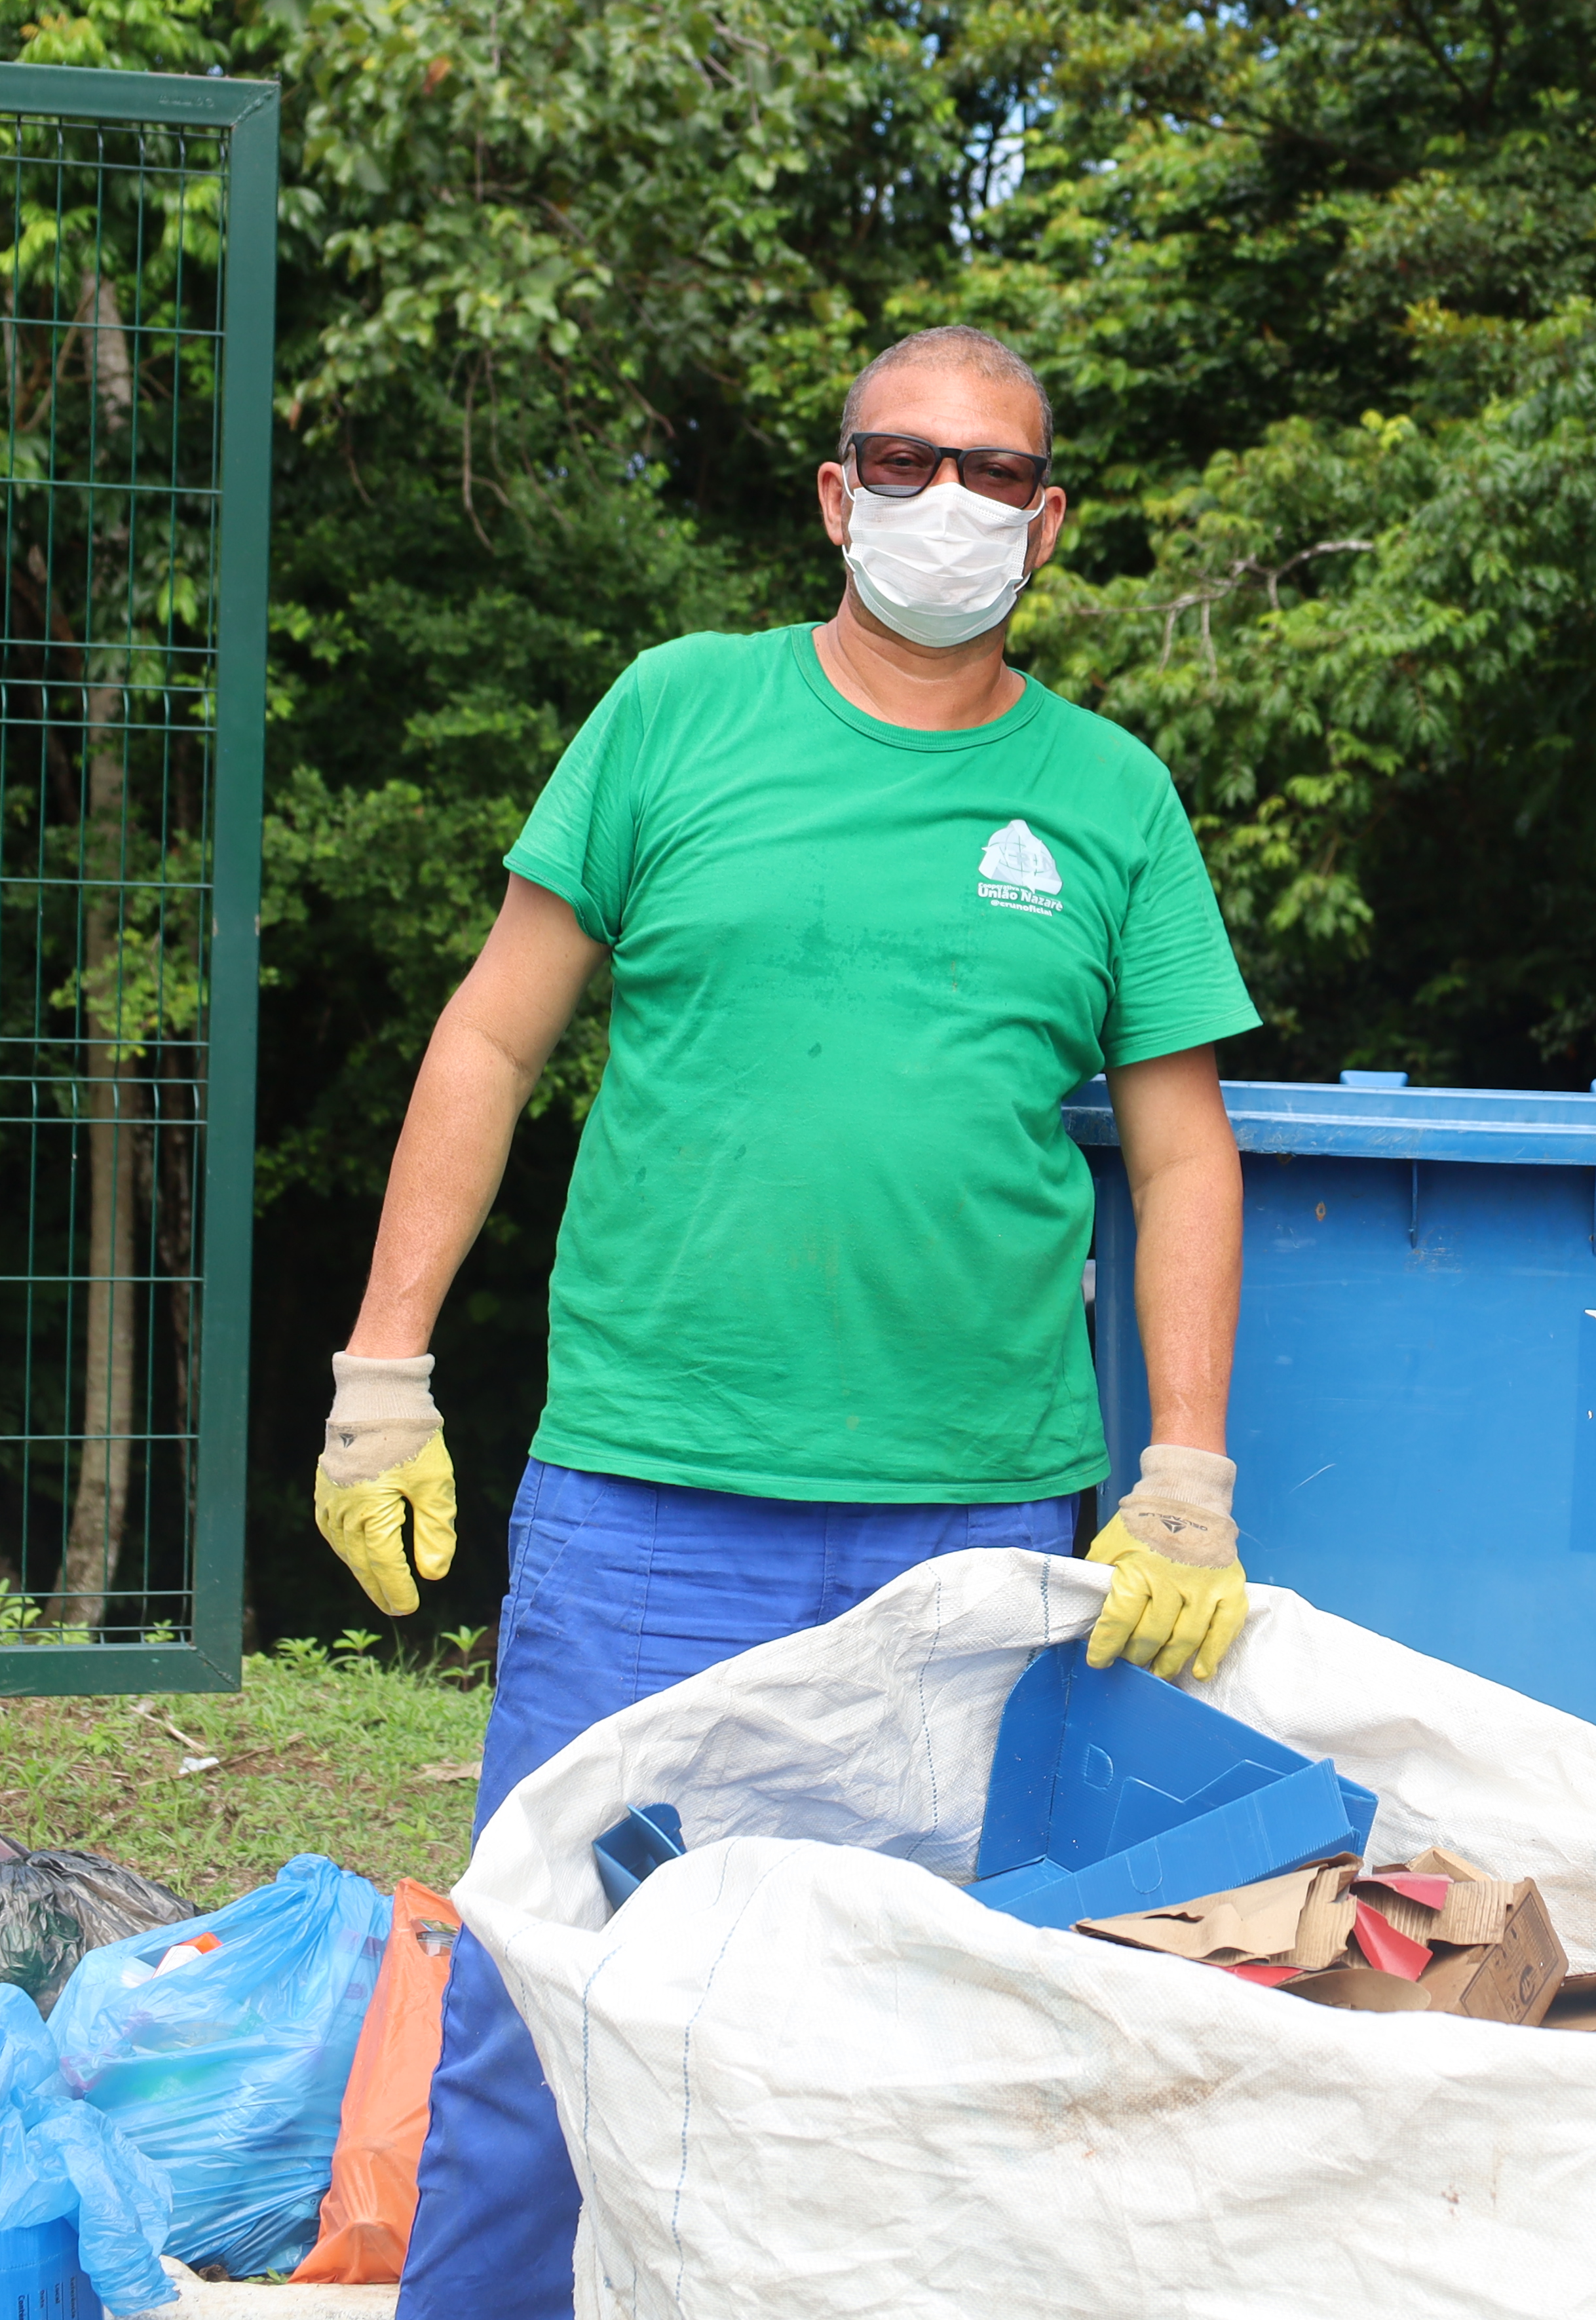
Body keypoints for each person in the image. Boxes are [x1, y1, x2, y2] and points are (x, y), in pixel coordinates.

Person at [316, 325, 1264, 2320]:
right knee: (543, 1994)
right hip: (651, 1502)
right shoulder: (675, 718)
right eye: (900, 462)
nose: (945, 503)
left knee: (908, 2039)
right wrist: (382, 1374)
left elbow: (1184, 1154)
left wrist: (1185, 1468)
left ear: (1048, 523)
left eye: (994, 474)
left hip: (967, 1525)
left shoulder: (1108, 796)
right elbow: (491, 1036)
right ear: (835, 498)